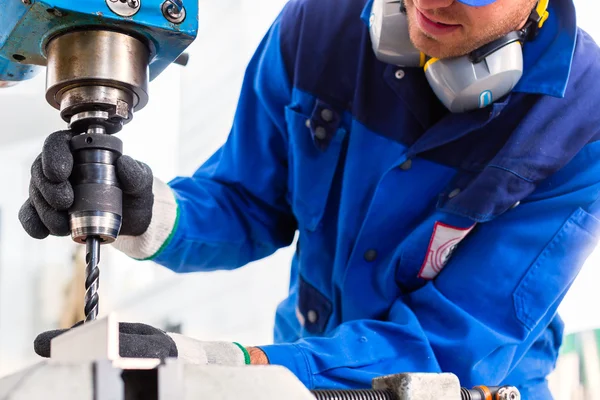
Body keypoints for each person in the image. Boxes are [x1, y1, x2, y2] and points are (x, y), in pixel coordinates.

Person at [19, 0, 600, 397]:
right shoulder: (320, 26)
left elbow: (449, 345)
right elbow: (248, 201)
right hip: (297, 373)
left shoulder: (581, 122)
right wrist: (140, 211)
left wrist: (219, 367)